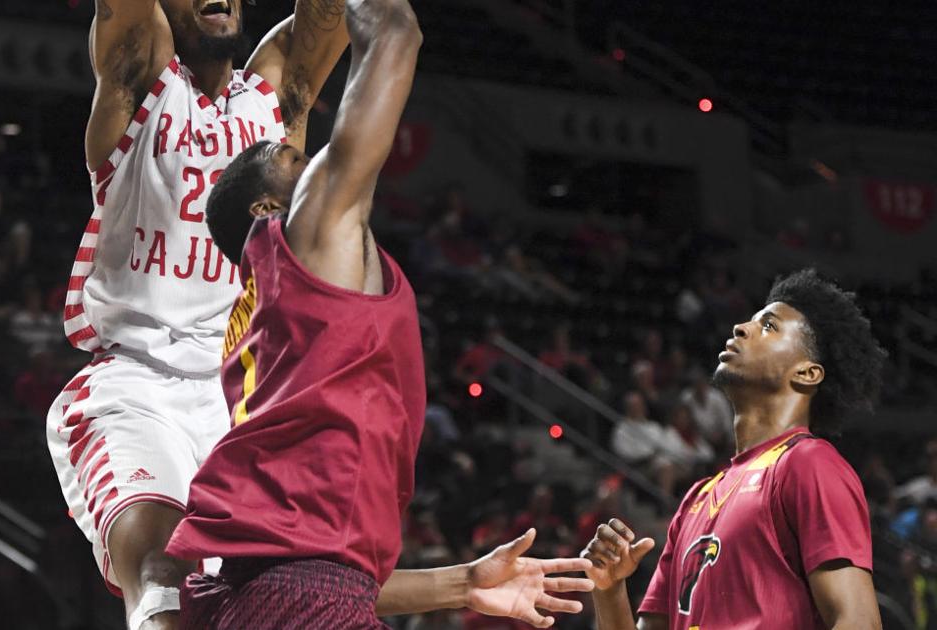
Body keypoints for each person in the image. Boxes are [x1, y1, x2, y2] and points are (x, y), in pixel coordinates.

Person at [167, 1, 594, 626]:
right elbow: (396, 33)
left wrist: (463, 582)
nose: (308, 158)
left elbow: (311, 567)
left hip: (267, 598)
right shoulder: (305, 237)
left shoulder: (264, 322)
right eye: (291, 161)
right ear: (265, 210)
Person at [45, 0, 353, 627]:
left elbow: (345, 13)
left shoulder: (273, 97)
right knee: (164, 573)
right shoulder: (143, 72)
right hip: (136, 385)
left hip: (242, 396)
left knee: (300, 594)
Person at [582, 269, 885, 629]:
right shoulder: (697, 497)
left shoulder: (808, 464)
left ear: (807, 373)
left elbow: (858, 621)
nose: (742, 328)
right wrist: (610, 590)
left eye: (769, 326)